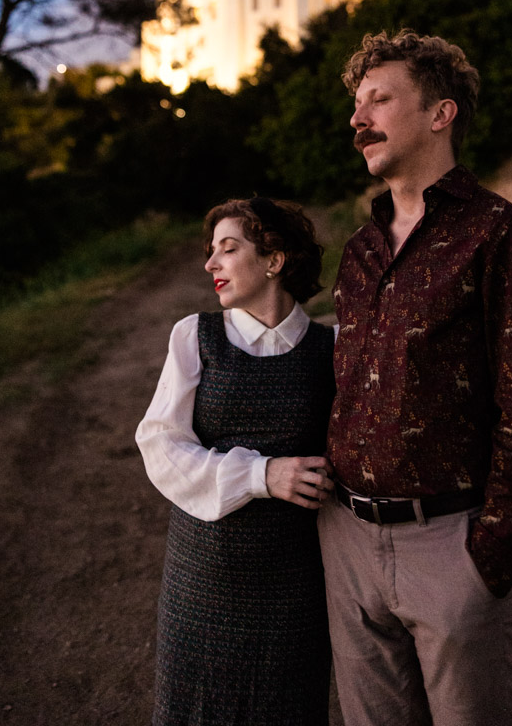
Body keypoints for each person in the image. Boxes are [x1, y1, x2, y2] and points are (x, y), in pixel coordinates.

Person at [318, 29, 512, 726]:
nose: (356, 117)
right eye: (355, 103)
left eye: (378, 99)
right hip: (347, 543)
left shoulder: (501, 234)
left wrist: (486, 562)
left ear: (439, 113)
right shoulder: (360, 250)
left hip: (447, 548)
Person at [136, 197, 336, 726]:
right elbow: (160, 444)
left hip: (293, 584)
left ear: (275, 260)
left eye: (229, 249)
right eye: (211, 251)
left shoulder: (331, 348)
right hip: (201, 582)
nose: (211, 264)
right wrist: (262, 474)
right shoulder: (194, 337)